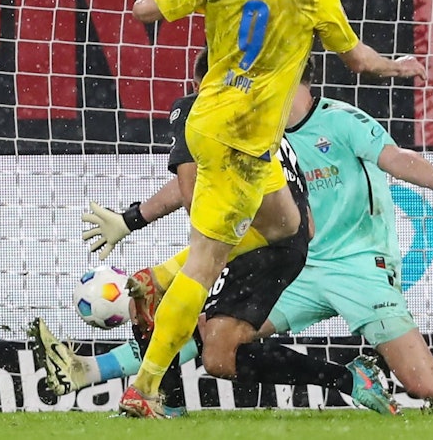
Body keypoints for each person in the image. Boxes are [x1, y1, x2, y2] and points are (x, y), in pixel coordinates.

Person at [42, 55, 433, 412]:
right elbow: (190, 185)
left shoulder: (341, 121)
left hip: (358, 265)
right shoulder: (249, 129)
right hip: (296, 264)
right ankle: (106, 373)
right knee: (217, 341)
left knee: (424, 385)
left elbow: (397, 159)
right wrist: (131, 219)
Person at [121, 0, 425, 416]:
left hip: (218, 124)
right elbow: (357, 60)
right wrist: (397, 65)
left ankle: (177, 278)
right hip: (238, 138)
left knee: (288, 226)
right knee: (205, 262)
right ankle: (144, 388)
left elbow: (144, 8)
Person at [35, 51, 400, 417]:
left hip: (259, 244)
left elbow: (192, 196)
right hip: (285, 243)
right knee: (217, 353)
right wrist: (132, 220)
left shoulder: (196, 108)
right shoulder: (263, 112)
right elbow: (301, 217)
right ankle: (349, 379)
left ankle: (154, 396)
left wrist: (189, 260)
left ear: (199, 83)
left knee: (160, 304)